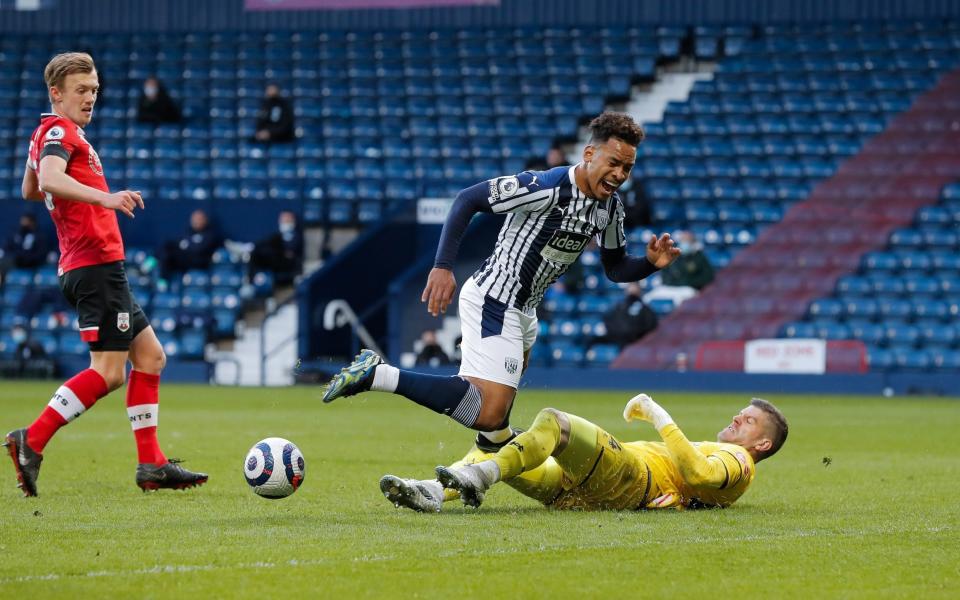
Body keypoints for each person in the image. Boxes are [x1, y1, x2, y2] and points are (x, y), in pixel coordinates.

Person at [322, 112, 681, 455]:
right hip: (494, 299)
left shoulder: (610, 210)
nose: (619, 174)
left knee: (495, 425)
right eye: (614, 163)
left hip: (526, 314)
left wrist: (650, 264)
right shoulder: (545, 187)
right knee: (490, 412)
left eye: (627, 168)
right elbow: (468, 199)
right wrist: (443, 266)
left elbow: (615, 268)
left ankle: (474, 476)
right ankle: (378, 374)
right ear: (589, 154)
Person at [4, 52, 207, 498]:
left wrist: (48, 168)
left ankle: (151, 464)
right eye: (81, 90)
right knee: (110, 371)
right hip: (92, 267)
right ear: (56, 93)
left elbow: (30, 188)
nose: (90, 97)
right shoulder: (59, 131)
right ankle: (30, 441)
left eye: (94, 89)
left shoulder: (52, 132)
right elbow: (51, 180)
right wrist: (104, 199)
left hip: (100, 267)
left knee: (150, 357)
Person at [379, 394, 788, 512]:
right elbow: (697, 489)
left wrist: (658, 415)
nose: (738, 418)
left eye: (749, 421)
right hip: (579, 491)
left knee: (555, 423)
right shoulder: (731, 457)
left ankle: (477, 478)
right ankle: (434, 491)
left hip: (632, 478)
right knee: (503, 440)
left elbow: (700, 476)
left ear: (762, 444)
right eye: (742, 413)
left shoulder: (741, 461)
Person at [160, 209, 222, 277]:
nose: (196, 221)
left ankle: (152, 269)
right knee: (167, 249)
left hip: (199, 262)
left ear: (205, 220)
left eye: (199, 219)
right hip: (185, 260)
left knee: (169, 250)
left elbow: (198, 250)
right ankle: (161, 281)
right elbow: (181, 243)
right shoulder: (188, 232)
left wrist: (186, 246)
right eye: (194, 219)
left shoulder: (210, 235)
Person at [248, 210, 303, 286]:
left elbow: (291, 252)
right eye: (282, 220)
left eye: (287, 220)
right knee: (256, 252)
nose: (284, 222)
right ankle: (252, 280)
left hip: (286, 264)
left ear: (293, 221)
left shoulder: (297, 237)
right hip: (273, 261)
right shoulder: (276, 236)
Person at [602, 282, 658, 347]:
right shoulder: (619, 307)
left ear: (640, 290)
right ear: (626, 290)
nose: (633, 289)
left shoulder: (645, 309)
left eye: (635, 287)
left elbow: (652, 325)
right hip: (620, 342)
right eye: (631, 287)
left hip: (640, 344)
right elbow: (608, 321)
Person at [0, 213, 48, 284]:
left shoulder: (40, 236)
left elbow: (41, 254)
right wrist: (17, 256)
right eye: (23, 221)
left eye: (26, 221)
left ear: (32, 222)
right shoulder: (17, 234)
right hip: (16, 262)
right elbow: (7, 248)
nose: (23, 223)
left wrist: (26, 258)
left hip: (33, 264)